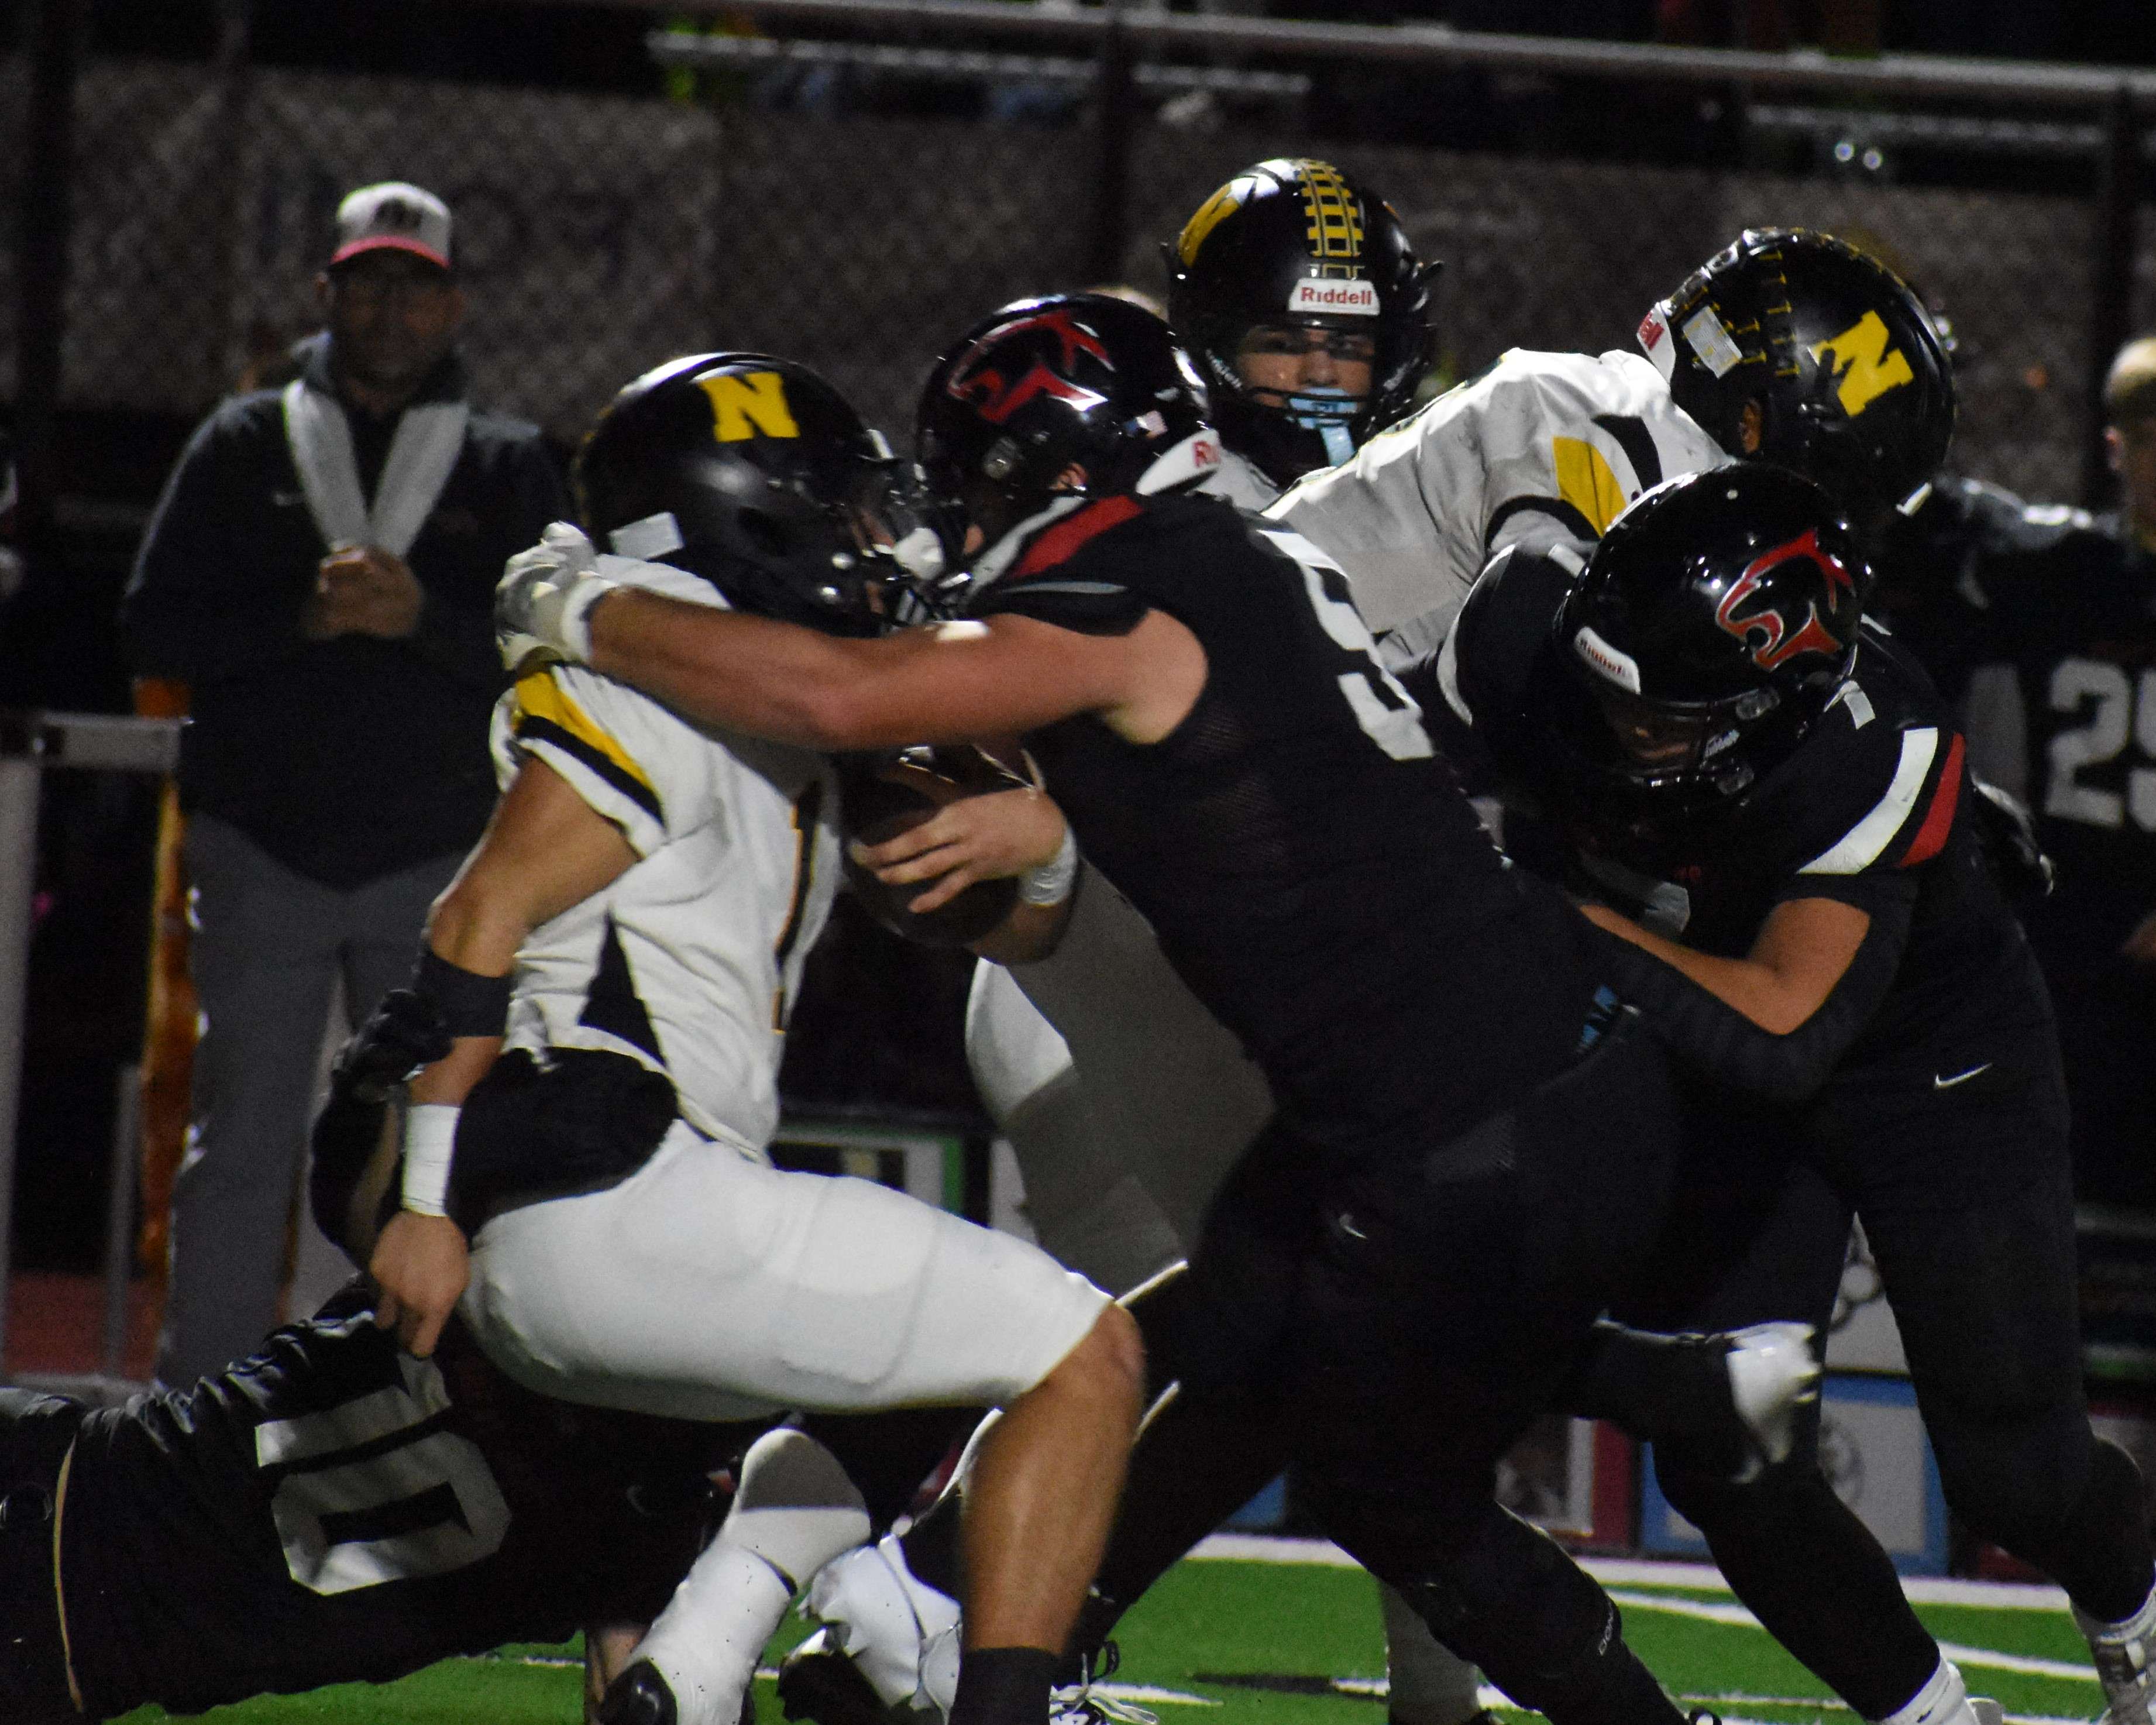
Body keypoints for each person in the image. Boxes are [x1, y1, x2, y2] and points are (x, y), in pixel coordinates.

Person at [497, 291, 1711, 1725]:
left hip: (1452, 1113)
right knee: (1189, 1359)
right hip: (1475, 1078)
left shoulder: (1125, 585)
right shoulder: (1222, 551)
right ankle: (917, 1635)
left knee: (1365, 1469)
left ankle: (1658, 1407)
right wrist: (1051, 820)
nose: (942, 516)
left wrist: (580, 606)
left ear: (1053, 464)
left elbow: (837, 699)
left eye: (970, 480)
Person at [365, 350, 1142, 1725]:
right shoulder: (651, 660)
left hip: (607, 1200)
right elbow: (477, 912)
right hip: (605, 1174)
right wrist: (421, 1199)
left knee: (934, 1362)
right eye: (838, 510)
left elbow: (999, 921)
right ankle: (986, 1693)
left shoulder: (730, 682)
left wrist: (1031, 846)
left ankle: (691, 1669)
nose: (872, 539)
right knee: (1086, 1350)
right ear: (747, 519)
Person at [1426, 465, 2156, 1725]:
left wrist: (1554, 914)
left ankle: (2139, 1632)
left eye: (1656, 717)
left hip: (1922, 1065)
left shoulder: (1869, 738)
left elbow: (1786, 1028)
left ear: (1771, 711)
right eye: (1596, 685)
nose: (1612, 730)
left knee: (2015, 1471)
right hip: (1700, 1043)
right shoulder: (1522, 628)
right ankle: (1930, 1718)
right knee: (1726, 1444)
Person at [0, 1058, 872, 1725]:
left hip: (67, 1527)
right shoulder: (641, 1512)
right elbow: (659, 1692)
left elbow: (363, 1184)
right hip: (74, 1603)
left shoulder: (504, 1289)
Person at [121, 181, 569, 1390]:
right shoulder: (241, 442)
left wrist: (424, 618)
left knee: (426, 1146)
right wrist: (300, 616)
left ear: (454, 305)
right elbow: (152, 624)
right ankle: (196, 1412)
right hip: (264, 845)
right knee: (239, 1148)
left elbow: (569, 656)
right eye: (367, 280)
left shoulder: (513, 462)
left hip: (440, 863)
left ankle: (404, 1403)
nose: (389, 306)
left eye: (415, 285)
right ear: (324, 293)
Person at [1268, 226, 1953, 657]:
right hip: (1257, 709)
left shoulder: (1629, 420)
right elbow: (1544, 679)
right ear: (1754, 421)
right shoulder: (1602, 423)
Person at [1958, 335, 2156, 1218]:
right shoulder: (2066, 571)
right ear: (2116, 448)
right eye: (2149, 435)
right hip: (2070, 925)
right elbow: (1938, 528)